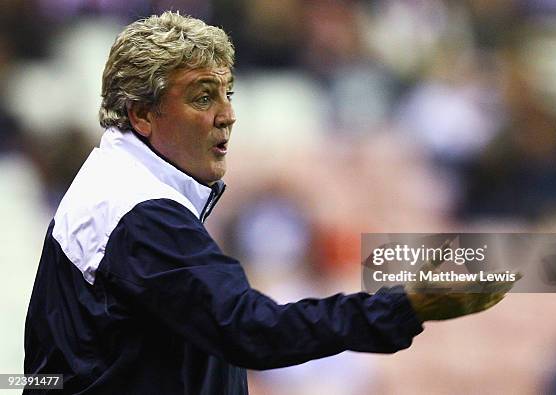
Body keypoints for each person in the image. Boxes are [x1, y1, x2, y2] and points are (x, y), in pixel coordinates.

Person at [24, 12, 514, 394]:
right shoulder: (139, 213)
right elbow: (250, 328)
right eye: (202, 97)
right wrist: (403, 307)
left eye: (227, 94)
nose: (229, 115)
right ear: (142, 114)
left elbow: (54, 372)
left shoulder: (111, 188)